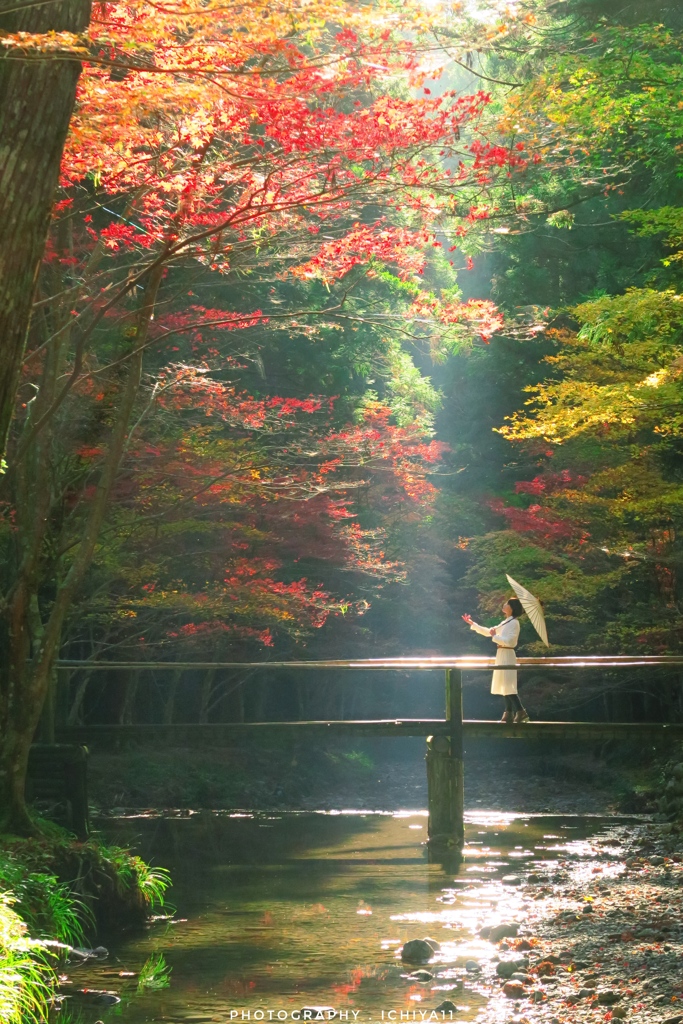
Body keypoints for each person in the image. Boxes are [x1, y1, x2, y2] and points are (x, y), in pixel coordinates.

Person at [461, 599, 530, 724]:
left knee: (508, 684)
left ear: (512, 608)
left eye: (507, 603)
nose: (504, 605)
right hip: (502, 653)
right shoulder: (506, 622)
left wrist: (495, 636)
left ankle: (520, 711)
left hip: (507, 653)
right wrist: (472, 623)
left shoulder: (514, 623)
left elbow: (510, 641)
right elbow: (489, 632)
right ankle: (508, 712)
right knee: (504, 684)